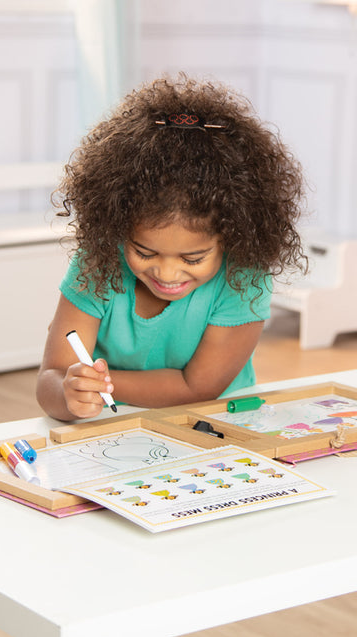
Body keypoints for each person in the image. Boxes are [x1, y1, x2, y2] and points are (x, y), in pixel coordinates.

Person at [37, 74, 306, 421]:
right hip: (110, 426)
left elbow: (197, 387)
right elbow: (51, 376)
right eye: (145, 252)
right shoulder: (99, 261)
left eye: (193, 258)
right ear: (118, 227)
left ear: (233, 235)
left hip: (218, 423)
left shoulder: (243, 277)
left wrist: (102, 384)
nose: (166, 273)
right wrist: (68, 393)